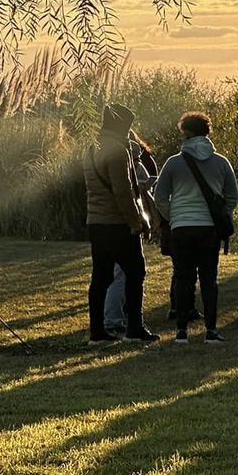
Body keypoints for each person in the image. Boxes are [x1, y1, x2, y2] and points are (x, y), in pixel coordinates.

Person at [154, 112, 238, 344]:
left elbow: (159, 196)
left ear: (187, 133)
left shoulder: (174, 162)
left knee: (183, 277)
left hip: (181, 227)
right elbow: (233, 196)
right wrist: (219, 213)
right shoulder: (221, 162)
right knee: (209, 279)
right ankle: (211, 330)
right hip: (209, 227)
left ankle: (181, 330)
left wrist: (175, 216)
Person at [82, 103, 156, 346]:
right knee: (136, 272)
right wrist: (136, 223)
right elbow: (123, 192)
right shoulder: (117, 151)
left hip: (96, 222)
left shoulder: (92, 148)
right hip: (117, 223)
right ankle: (134, 328)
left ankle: (97, 332)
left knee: (101, 276)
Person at [103, 136, 157, 335]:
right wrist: (137, 223)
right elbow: (126, 195)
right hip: (124, 224)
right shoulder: (125, 167)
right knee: (125, 274)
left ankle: (118, 316)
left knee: (117, 274)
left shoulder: (101, 159)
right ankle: (116, 318)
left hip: (107, 224)